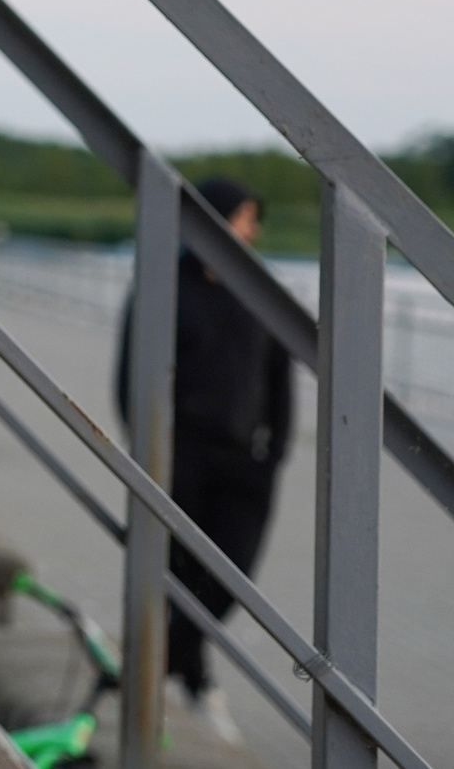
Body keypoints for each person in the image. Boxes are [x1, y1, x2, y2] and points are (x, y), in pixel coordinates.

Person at [113, 175, 291, 744]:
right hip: (178, 455)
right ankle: (197, 681)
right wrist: (150, 452)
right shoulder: (162, 286)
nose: (253, 228)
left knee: (231, 577)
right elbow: (129, 379)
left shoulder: (262, 291)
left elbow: (280, 381)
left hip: (245, 463)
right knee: (179, 573)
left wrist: (275, 456)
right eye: (244, 217)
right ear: (214, 221)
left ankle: (164, 665)